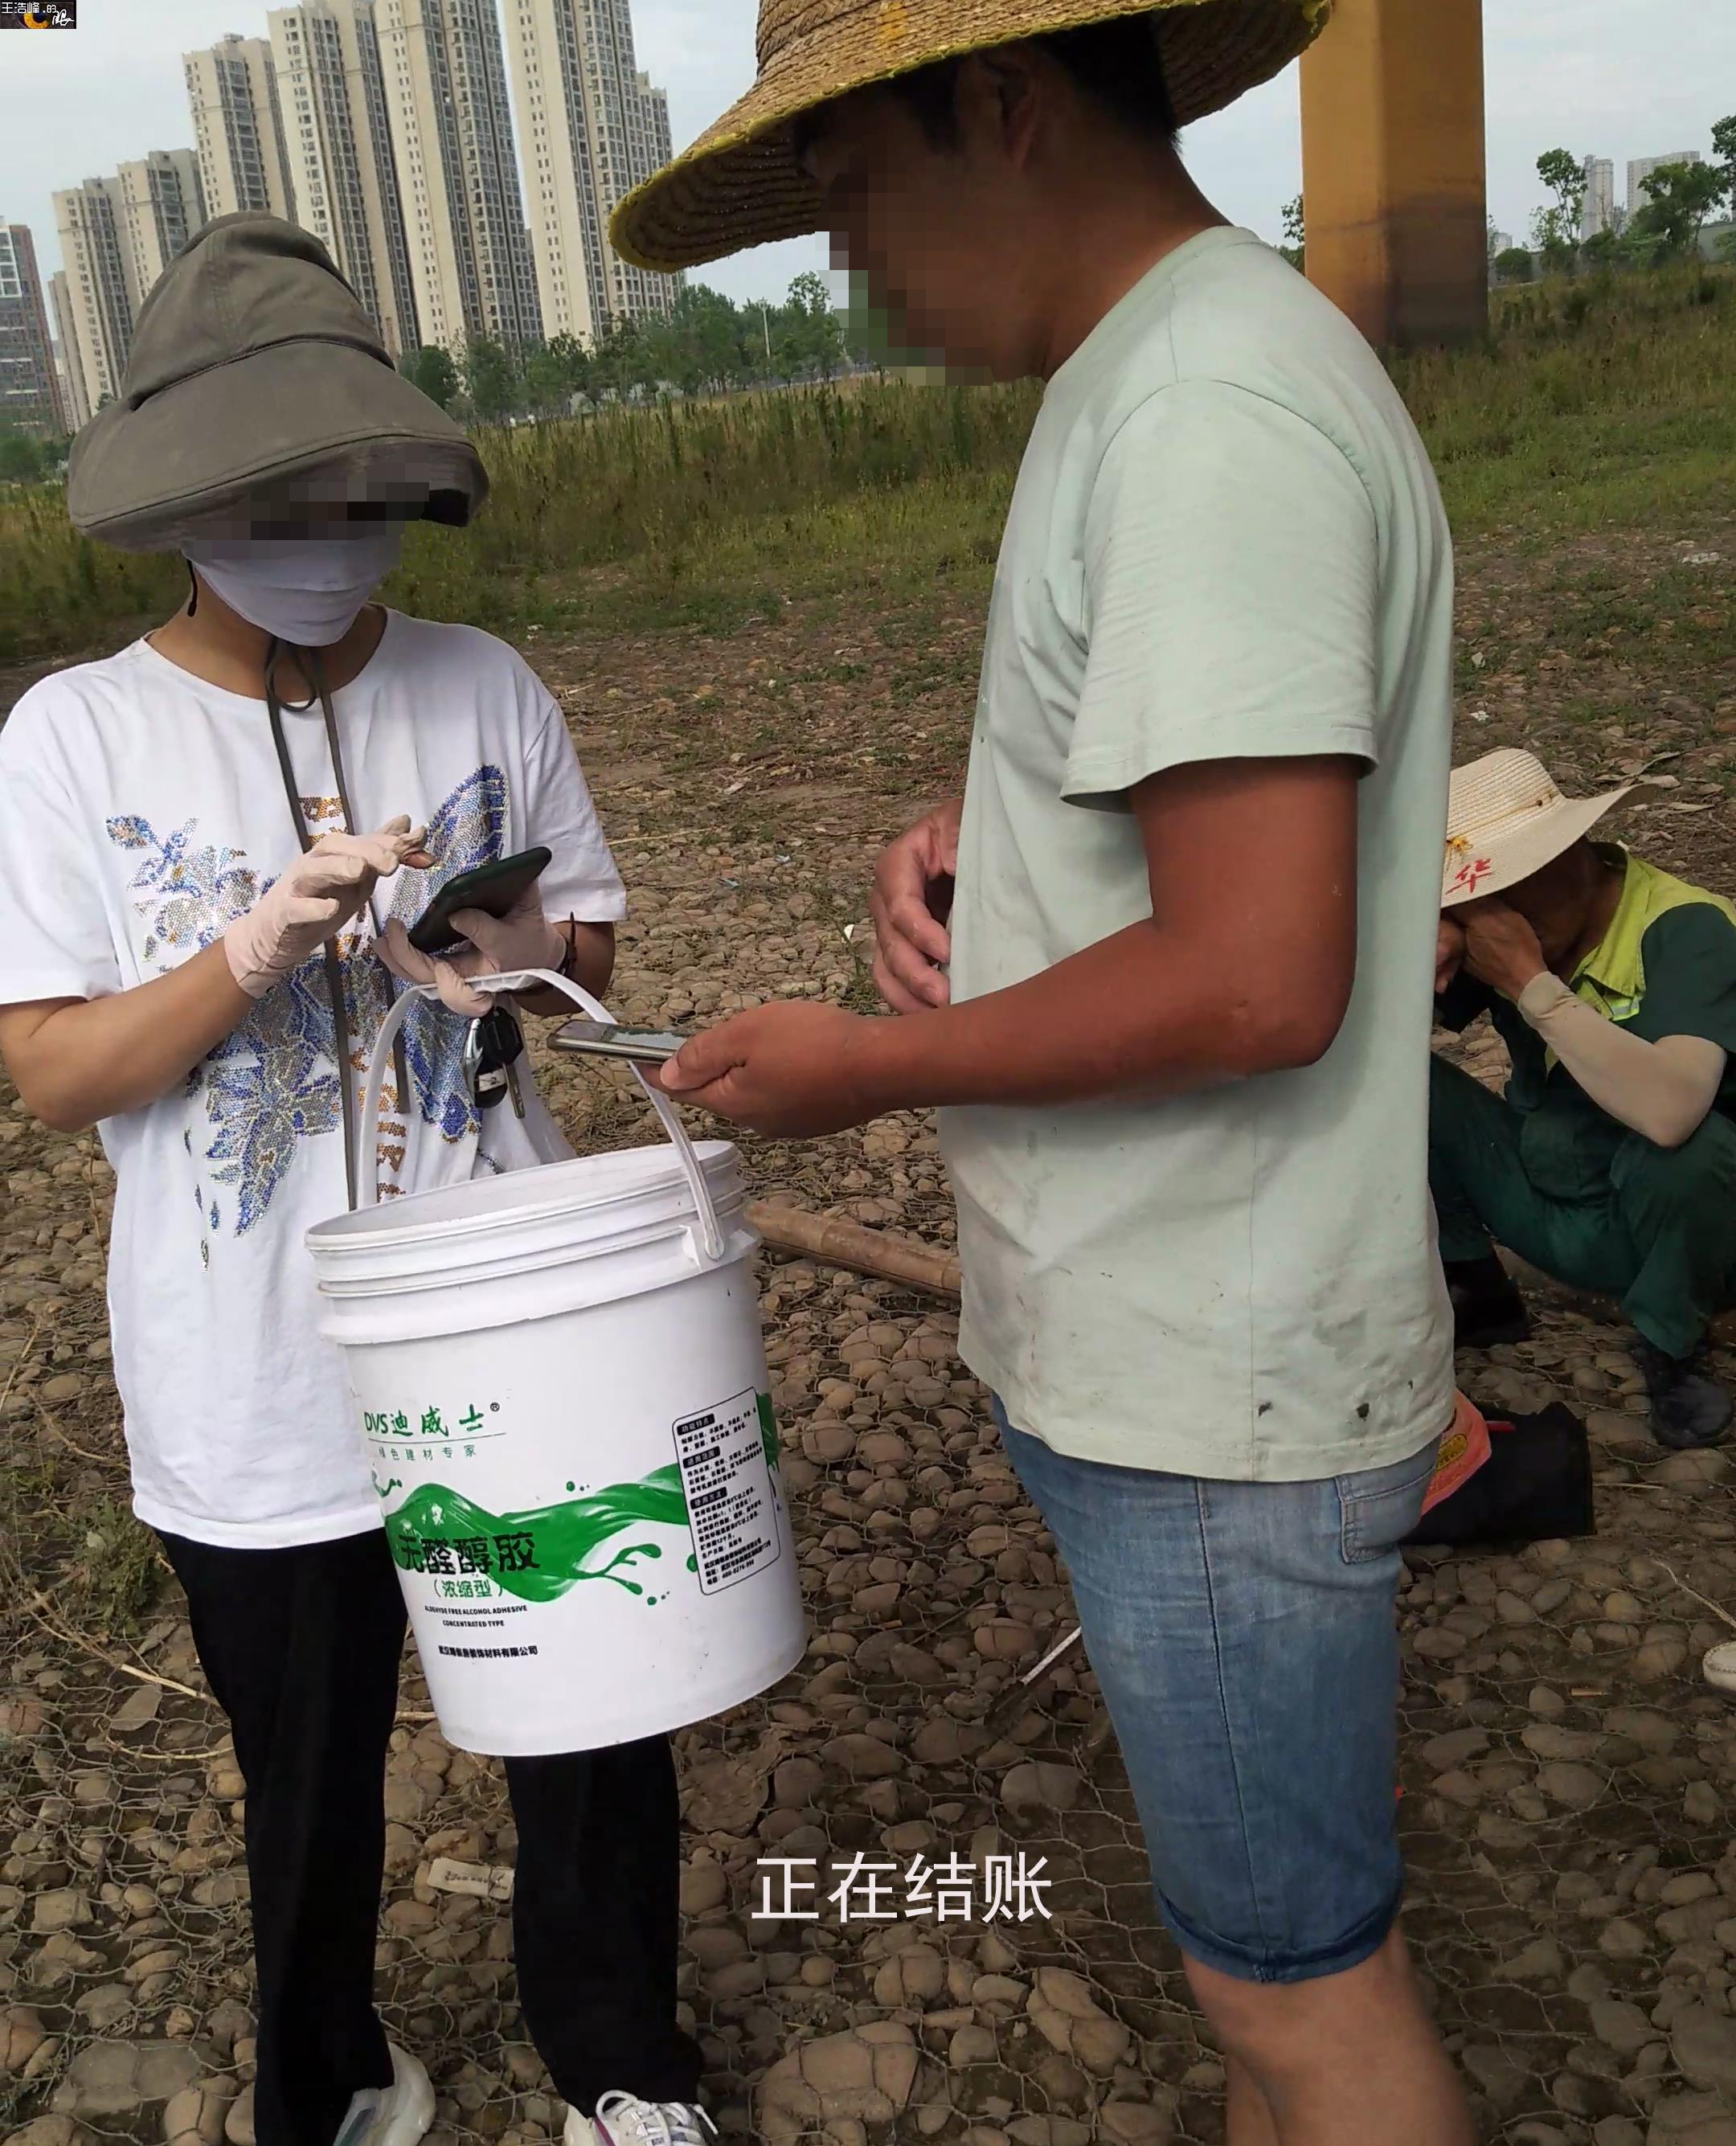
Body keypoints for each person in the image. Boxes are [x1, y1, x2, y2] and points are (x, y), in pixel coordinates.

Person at [615, 6, 1473, 2142]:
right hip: (1184, 1348)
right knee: (1261, 1975)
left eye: (850, 194)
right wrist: (990, 846)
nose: (849, 264)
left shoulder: (1202, 411)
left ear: (999, 104)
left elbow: (1257, 975)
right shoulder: (1161, 376)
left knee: (1304, 1995)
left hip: (1213, 1371)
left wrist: (877, 1064)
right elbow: (1211, 824)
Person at [0, 217, 708, 2146]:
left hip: (512, 1311)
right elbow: (54, 1070)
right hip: (251, 1361)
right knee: (303, 1762)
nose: (321, 533)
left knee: (589, 1699)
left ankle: (623, 2058)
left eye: (349, 490)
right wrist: (248, 948)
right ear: (184, 500)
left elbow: (590, 956)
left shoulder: (484, 683)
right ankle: (325, 2078)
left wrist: (499, 942)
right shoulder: (73, 735)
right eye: (272, 496)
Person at [1431, 747, 1736, 1448]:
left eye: (1515, 887)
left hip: (1680, 1233)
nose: (1501, 918)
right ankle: (1479, 1288)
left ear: (1574, 854)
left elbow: (1671, 1113)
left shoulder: (1686, 928)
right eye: (1480, 899)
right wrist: (1424, 943)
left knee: (1691, 1150)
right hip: (1556, 1200)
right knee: (1407, 1086)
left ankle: (1672, 1337)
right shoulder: (1500, 928)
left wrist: (1532, 985)